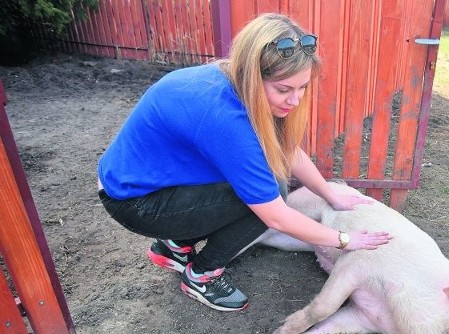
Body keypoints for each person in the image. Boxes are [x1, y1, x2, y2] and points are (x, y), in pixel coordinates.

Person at [97, 13, 391, 312]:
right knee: (267, 195)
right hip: (133, 201)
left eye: (303, 87)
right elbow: (276, 216)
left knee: (263, 183)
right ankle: (202, 276)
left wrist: (330, 195)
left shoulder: (230, 80)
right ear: (252, 74)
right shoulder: (225, 118)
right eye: (284, 89)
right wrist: (343, 239)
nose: (296, 100)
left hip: (149, 180)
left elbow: (287, 150)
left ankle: (174, 247)